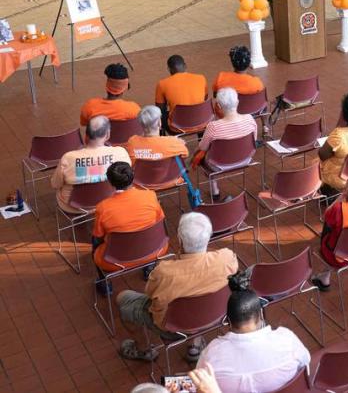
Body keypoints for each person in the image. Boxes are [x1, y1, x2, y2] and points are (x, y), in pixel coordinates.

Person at [116, 212, 238, 362]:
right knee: (199, 298)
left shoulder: (163, 272)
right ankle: (195, 345)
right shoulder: (227, 258)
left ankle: (143, 349)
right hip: (215, 316)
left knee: (123, 300)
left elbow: (150, 294)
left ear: (179, 240)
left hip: (172, 326)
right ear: (210, 236)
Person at [197, 271, 310, 392]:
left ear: (228, 321)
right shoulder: (287, 340)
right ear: (261, 314)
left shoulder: (212, 355)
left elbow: (200, 383)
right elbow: (306, 366)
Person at [92, 162, 166, 293]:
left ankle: (105, 285)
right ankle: (148, 269)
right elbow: (159, 220)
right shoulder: (150, 195)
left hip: (115, 260)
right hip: (154, 250)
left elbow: (98, 236)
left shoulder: (103, 207)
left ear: (110, 182)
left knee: (94, 242)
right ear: (133, 176)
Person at [52, 116, 130, 214]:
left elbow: (55, 184)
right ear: (107, 135)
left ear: (86, 135)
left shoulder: (68, 158)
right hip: (109, 201)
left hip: (72, 207)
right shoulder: (121, 153)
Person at [197, 88, 258, 201]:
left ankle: (214, 190)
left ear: (218, 106)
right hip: (245, 159)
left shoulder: (213, 126)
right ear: (238, 102)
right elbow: (253, 141)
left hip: (218, 165)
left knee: (202, 157)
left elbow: (202, 147)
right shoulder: (250, 119)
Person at [155, 54, 207, 130]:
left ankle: (166, 141)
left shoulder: (162, 84)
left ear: (169, 69)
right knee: (199, 109)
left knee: (159, 115)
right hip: (201, 122)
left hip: (177, 126)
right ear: (185, 65)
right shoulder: (201, 78)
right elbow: (204, 100)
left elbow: (159, 109)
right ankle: (202, 139)